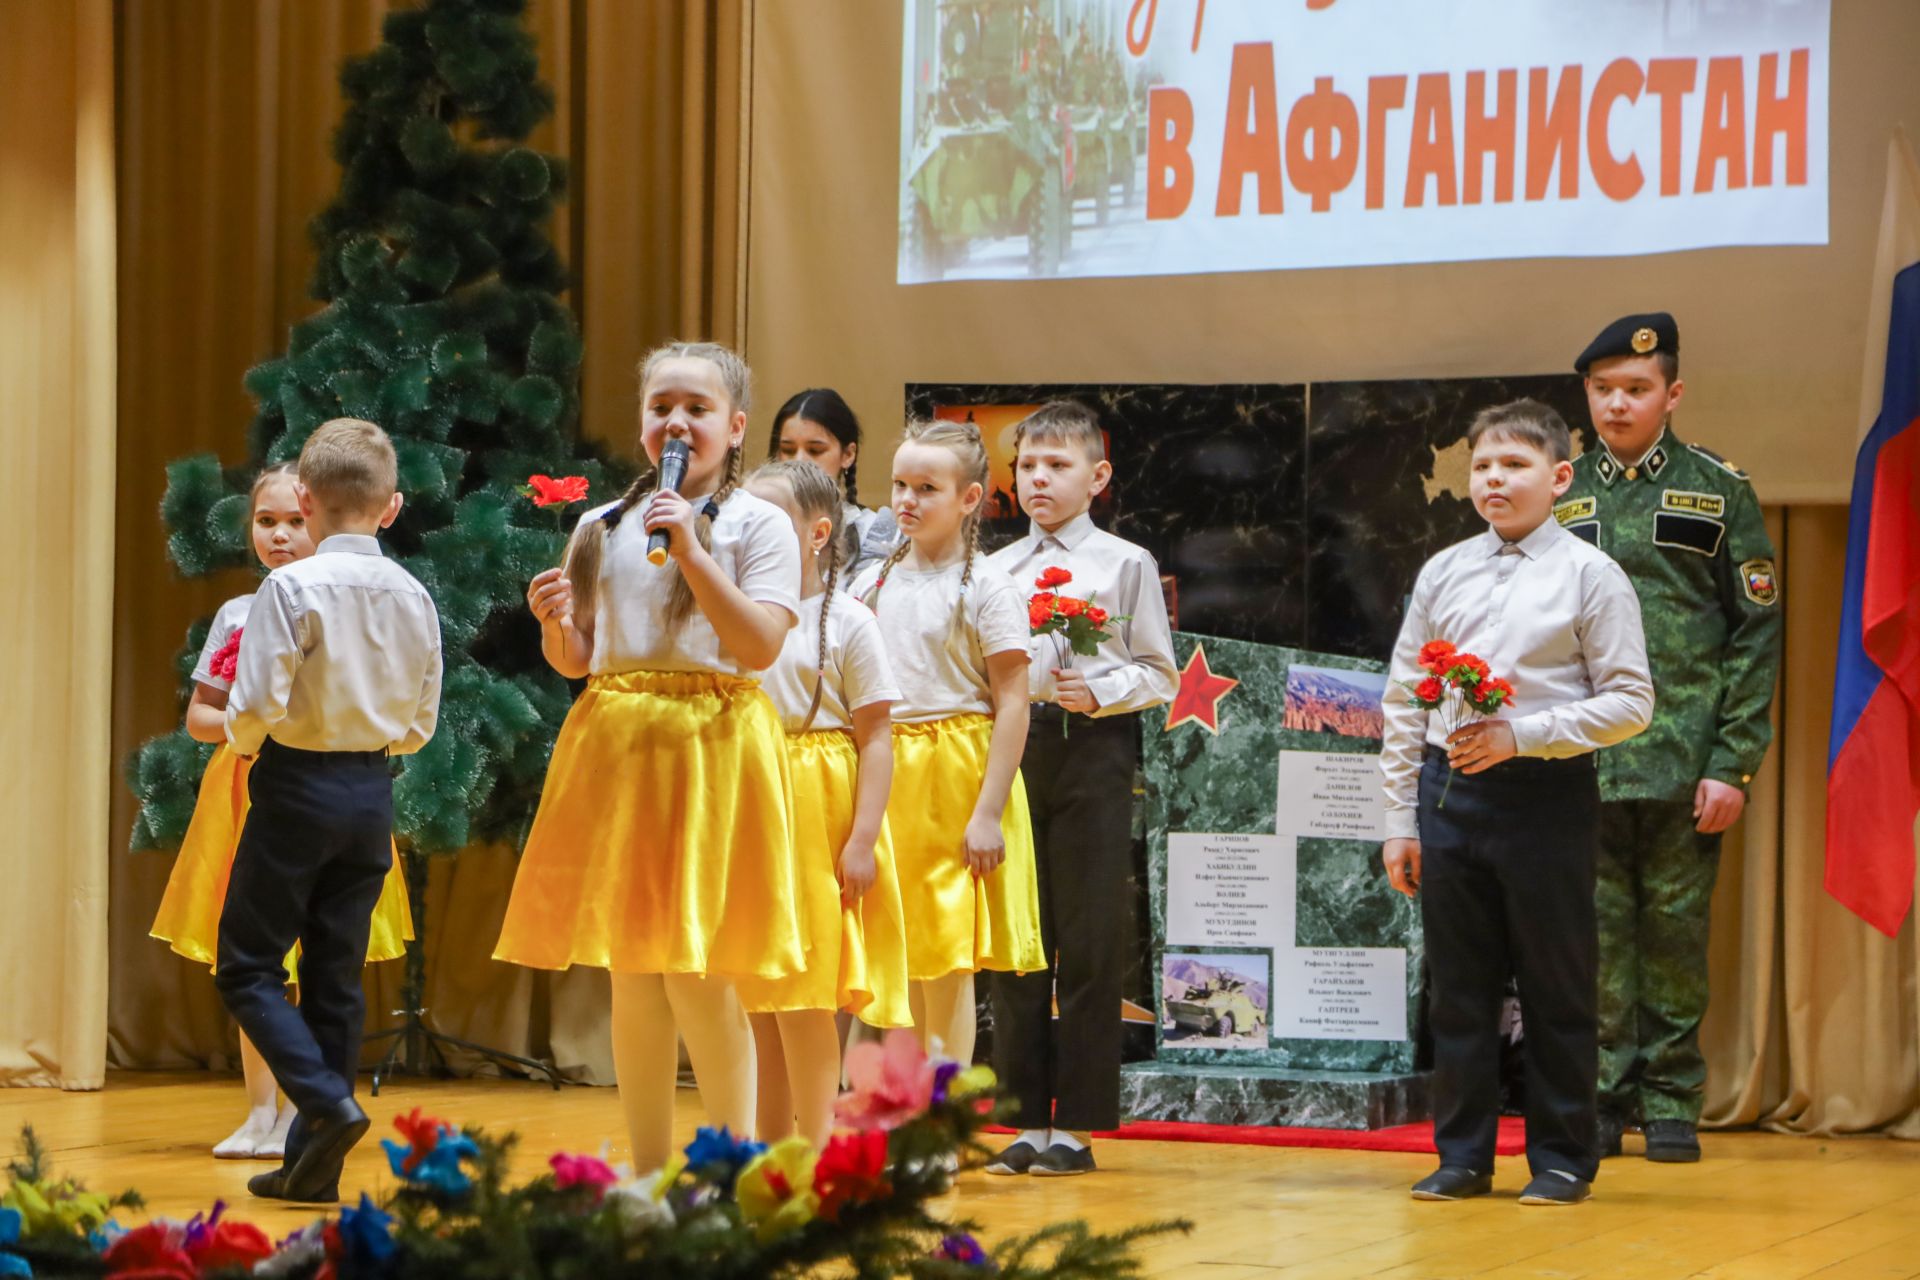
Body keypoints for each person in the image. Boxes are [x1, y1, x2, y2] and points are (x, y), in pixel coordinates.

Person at [498, 341, 804, 1172]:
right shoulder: (599, 525)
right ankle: (647, 1170)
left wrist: (696, 552)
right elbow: (582, 658)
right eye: (661, 406)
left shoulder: (758, 523)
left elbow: (761, 643)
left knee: (699, 975)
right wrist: (557, 628)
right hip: (619, 745)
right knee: (632, 976)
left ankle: (727, 1172)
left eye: (697, 409)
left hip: (709, 751)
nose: (676, 421)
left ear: (736, 427)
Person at [1379, 399, 1653, 1207]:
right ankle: (1461, 1156)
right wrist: (1399, 819)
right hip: (1448, 790)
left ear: (1560, 478)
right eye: (1483, 467)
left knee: (1556, 986)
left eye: (1515, 466)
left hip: (1544, 794)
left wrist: (1523, 735)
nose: (1494, 480)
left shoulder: (1591, 575)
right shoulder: (1444, 570)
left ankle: (1564, 1158)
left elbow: (1631, 703)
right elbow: (1402, 699)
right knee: (1458, 989)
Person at [1560, 313, 1783, 1163]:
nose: (1618, 404)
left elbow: (1755, 633)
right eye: (1603, 388)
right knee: (1595, 939)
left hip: (1685, 759)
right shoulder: (1559, 487)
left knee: (1677, 940)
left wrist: (1734, 763)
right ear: (1586, 393)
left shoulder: (1719, 490)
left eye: (1637, 389)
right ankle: (1602, 1101)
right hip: (1579, 758)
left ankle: (1671, 1104)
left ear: (1672, 394)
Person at [151, 462, 413, 1161]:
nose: (280, 534)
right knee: (256, 954)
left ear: (316, 511)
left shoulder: (345, 597)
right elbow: (203, 715)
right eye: (265, 522)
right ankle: (265, 1113)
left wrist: (261, 720)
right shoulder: (239, 613)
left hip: (301, 781)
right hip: (252, 785)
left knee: (301, 963)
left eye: (293, 520)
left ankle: (315, 1113)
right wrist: (242, 718)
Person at [216, 419, 443, 1203]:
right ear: (392, 507)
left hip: (296, 785)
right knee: (335, 979)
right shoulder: (414, 593)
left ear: (304, 501)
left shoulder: (290, 587)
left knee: (246, 964)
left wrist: (249, 744)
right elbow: (422, 720)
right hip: (371, 790)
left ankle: (322, 1099)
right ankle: (314, 1169)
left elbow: (253, 707)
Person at [983, 401, 1177, 1178]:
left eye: (1057, 465)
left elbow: (1159, 672)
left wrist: (1099, 691)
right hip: (1014, 750)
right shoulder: (993, 570)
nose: (1038, 478)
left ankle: (1082, 1125)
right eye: (1027, 465)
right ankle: (1022, 1119)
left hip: (1094, 752)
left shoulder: (1123, 563)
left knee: (1091, 940)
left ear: (1096, 477)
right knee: (1020, 937)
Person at [852, 418, 1043, 1066]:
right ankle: (894, 1116)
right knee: (894, 955)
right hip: (887, 772)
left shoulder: (988, 587)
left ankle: (940, 1120)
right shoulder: (869, 583)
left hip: (953, 777)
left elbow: (1013, 701)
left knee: (944, 960)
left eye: (926, 487)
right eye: (899, 484)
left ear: (968, 499)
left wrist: (987, 810)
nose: (906, 499)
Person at [735, 458, 911, 1149]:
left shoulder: (847, 623)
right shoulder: (738, 617)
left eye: (767, 519)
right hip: (754, 809)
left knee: (806, 998)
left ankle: (814, 1156)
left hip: (817, 812)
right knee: (759, 999)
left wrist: (863, 838)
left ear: (816, 533)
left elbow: (876, 738)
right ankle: (768, 1153)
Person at [767, 388, 893, 576]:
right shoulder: (759, 521)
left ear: (848, 454)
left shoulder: (871, 531)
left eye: (815, 450)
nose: (799, 461)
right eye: (788, 449)